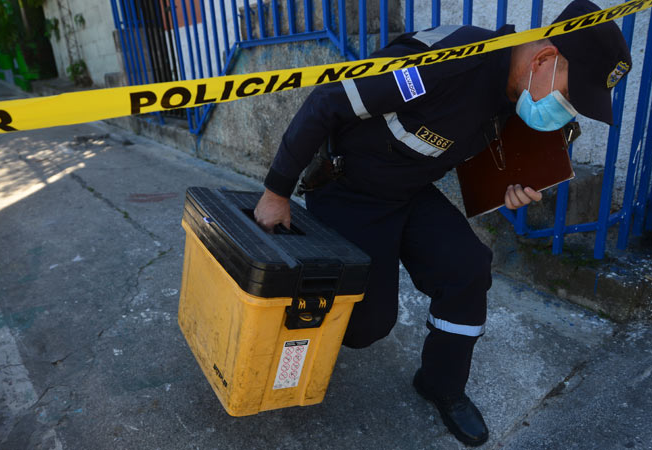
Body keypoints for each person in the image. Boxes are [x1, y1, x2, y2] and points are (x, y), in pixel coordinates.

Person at [254, 0, 631, 446]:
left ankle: (441, 384)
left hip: (409, 191)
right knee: (366, 327)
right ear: (544, 59)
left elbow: (484, 157)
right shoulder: (449, 63)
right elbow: (328, 99)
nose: (566, 111)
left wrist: (509, 188)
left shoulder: (516, 92)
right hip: (349, 189)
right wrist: (276, 191)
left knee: (467, 267)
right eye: (570, 97)